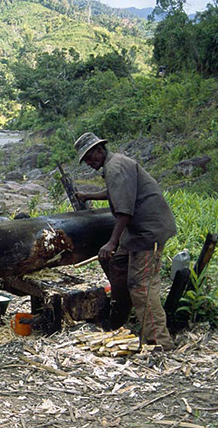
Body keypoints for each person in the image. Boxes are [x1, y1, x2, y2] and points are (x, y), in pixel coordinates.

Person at [74, 132, 176, 351]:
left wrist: (111, 243)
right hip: (136, 233)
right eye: (86, 161)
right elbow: (116, 193)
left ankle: (159, 342)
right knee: (118, 265)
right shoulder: (114, 165)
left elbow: (124, 212)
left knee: (141, 286)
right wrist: (88, 196)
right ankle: (119, 320)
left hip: (148, 233)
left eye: (91, 157)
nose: (90, 163)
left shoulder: (115, 168)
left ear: (100, 150)